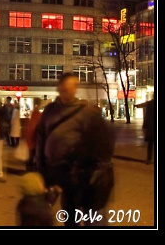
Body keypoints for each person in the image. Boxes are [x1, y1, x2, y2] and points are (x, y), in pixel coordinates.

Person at [29, 74, 113, 226]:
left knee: (92, 215)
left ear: (75, 88)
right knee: (69, 214)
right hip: (59, 174)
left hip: (83, 174)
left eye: (68, 90)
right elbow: (41, 139)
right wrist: (40, 167)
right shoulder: (50, 111)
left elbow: (104, 144)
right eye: (62, 91)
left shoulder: (87, 113)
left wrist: (97, 169)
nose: (65, 94)